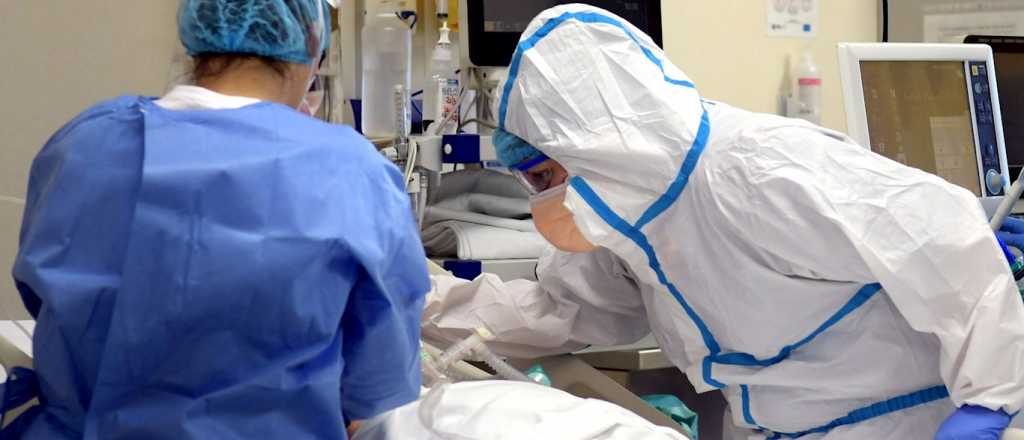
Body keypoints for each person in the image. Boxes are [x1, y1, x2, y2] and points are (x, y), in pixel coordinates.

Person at [422, 4, 1024, 439]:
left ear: (592, 148)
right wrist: (419, 300)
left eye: (544, 177)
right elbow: (568, 312)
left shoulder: (758, 170)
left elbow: (943, 234)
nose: (544, 198)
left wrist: (989, 403)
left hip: (910, 423)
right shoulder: (630, 217)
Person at [3, 1, 429, 438]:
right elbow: (377, 388)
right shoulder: (350, 171)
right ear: (312, 39)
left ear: (197, 29)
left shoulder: (84, 145)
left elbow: (48, 300)